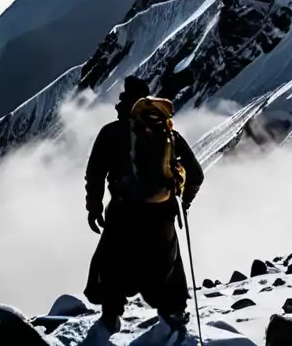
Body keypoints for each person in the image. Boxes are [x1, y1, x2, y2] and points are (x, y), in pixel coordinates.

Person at [82, 75, 204, 335]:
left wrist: (94, 207)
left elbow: (95, 173)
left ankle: (111, 317)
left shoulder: (111, 133)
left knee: (112, 264)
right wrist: (184, 202)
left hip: (122, 213)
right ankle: (172, 317)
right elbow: (196, 174)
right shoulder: (169, 135)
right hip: (162, 214)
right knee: (168, 267)